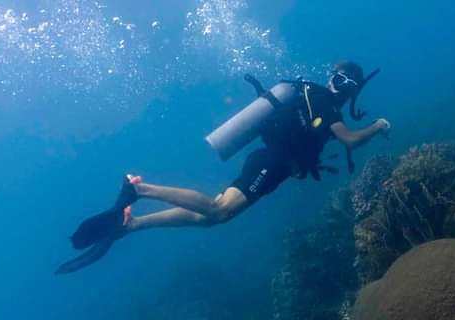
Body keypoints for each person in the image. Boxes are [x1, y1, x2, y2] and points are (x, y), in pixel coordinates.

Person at [57, 61, 390, 274]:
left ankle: (134, 225)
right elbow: (350, 141)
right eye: (348, 85)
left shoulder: (309, 92)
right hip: (271, 164)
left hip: (268, 161)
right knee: (218, 210)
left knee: (211, 219)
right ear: (348, 87)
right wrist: (376, 127)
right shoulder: (327, 107)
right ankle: (141, 189)